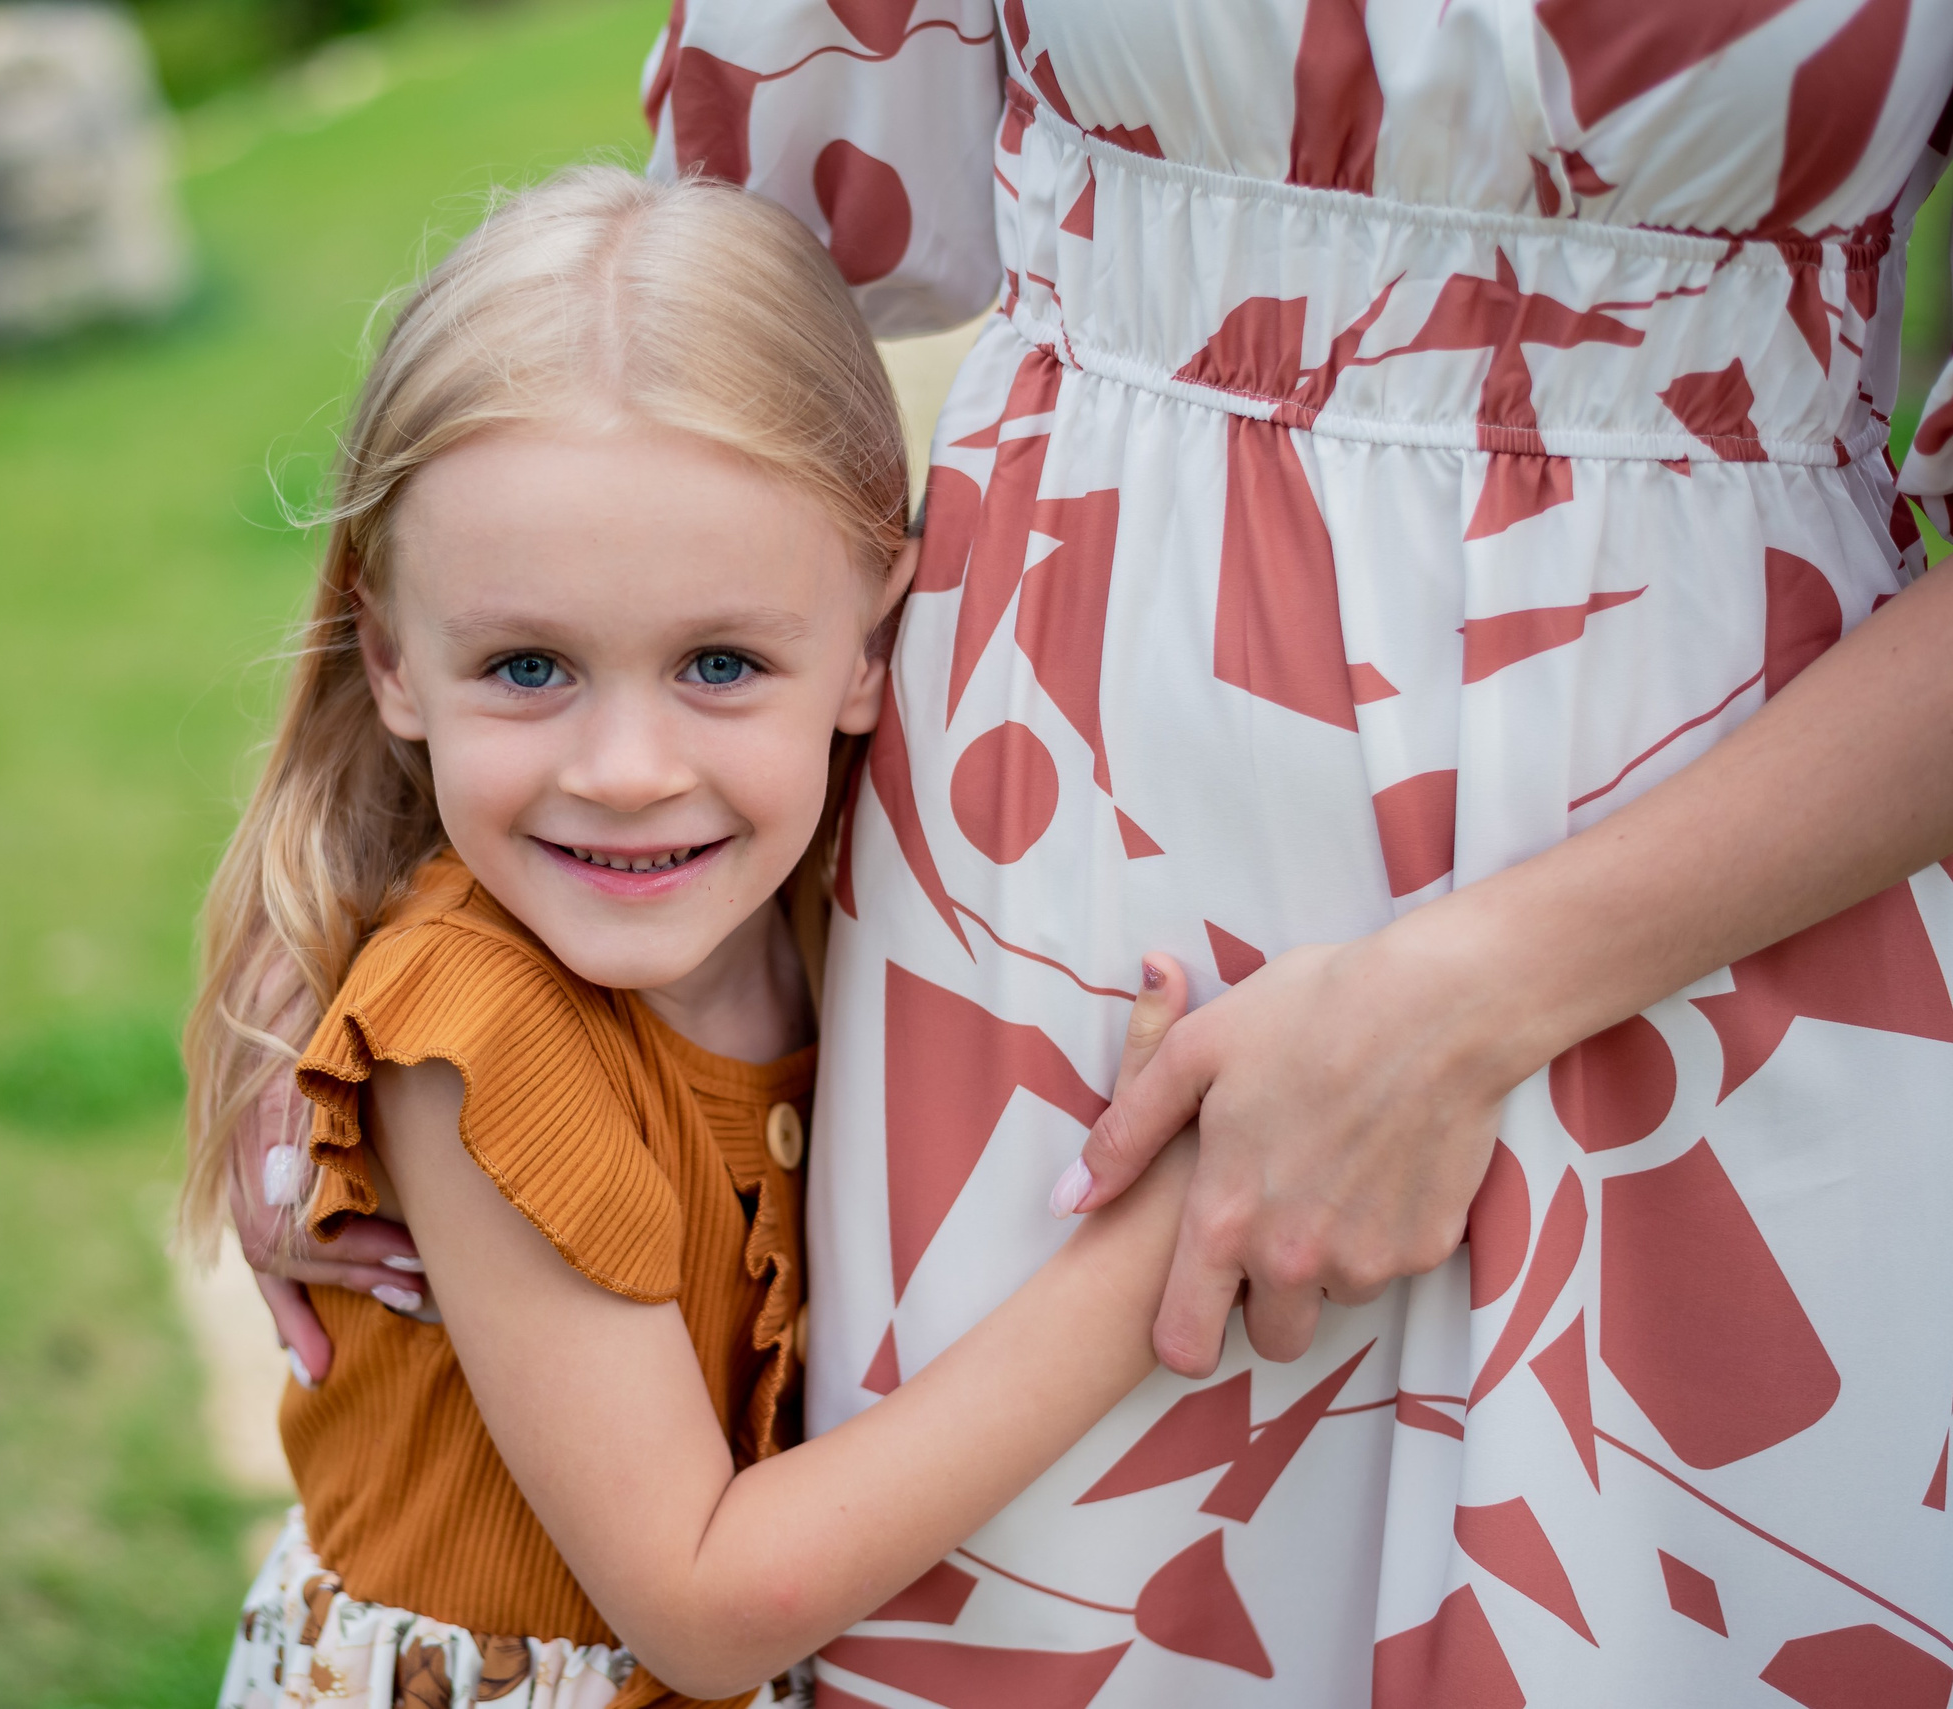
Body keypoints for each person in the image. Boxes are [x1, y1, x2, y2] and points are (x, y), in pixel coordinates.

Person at [620, 3, 1953, 1705]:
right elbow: (714, 273)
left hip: (1742, 902)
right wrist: (383, 904)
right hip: (1065, 918)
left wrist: (1475, 993)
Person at [181, 166, 1203, 1709]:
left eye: (719, 660)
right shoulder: (475, 1036)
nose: (628, 769)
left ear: (872, 642)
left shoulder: (862, 899)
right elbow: (709, 1602)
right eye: (529, 667)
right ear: (393, 661)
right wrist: (1158, 1247)